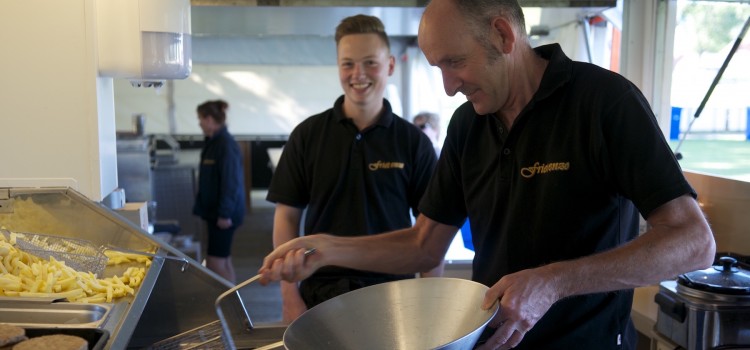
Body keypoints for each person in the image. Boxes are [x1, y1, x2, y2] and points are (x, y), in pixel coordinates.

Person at [259, 1, 716, 349]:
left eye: (455, 62)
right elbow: (423, 246)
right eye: (438, 68)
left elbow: (694, 243)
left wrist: (552, 282)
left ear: (502, 34)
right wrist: (327, 249)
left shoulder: (603, 103)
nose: (448, 86)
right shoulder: (467, 126)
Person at [266, 14, 443, 324]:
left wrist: (429, 305)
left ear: (389, 65)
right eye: (348, 64)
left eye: (370, 63)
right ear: (338, 67)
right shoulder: (308, 136)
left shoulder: (413, 143)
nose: (358, 74)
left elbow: (433, 230)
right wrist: (289, 296)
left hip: (394, 295)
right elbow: (287, 216)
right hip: (321, 295)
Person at [193, 99, 245, 284]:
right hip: (217, 213)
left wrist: (224, 214)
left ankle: (229, 304)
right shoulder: (214, 142)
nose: (199, 123)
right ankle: (232, 301)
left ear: (209, 119)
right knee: (224, 259)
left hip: (223, 216)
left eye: (200, 118)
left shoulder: (224, 145)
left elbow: (231, 183)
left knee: (215, 262)